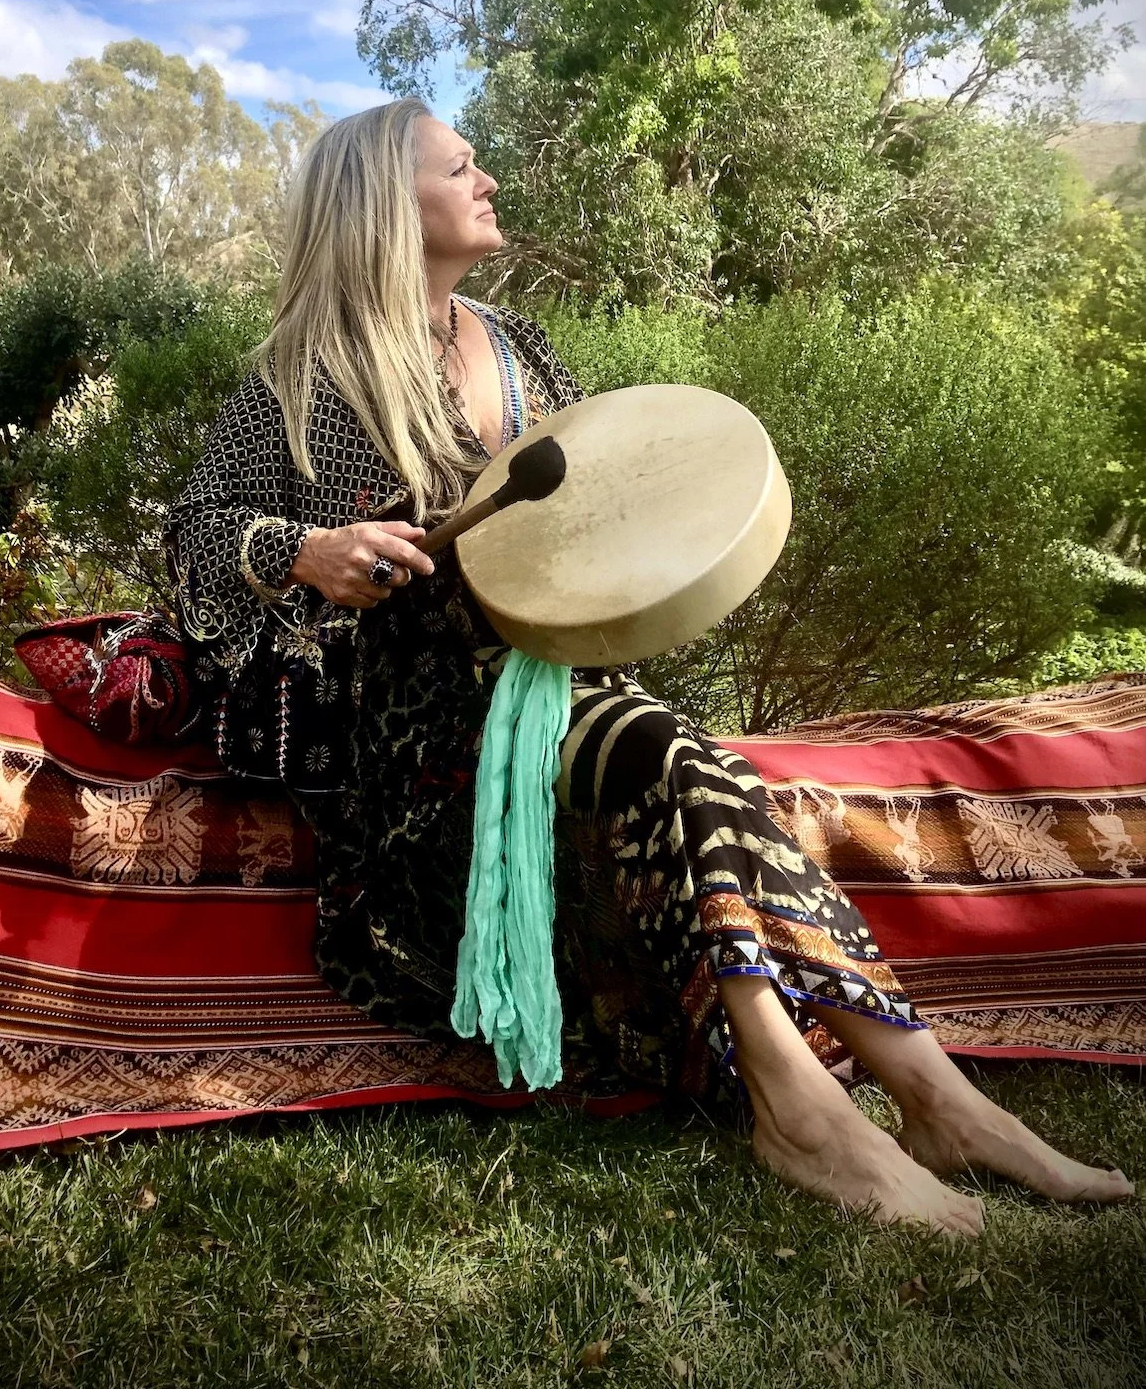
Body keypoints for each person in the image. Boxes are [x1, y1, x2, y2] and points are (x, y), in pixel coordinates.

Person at [168, 98, 1133, 1233]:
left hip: (557, 690)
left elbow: (591, 522)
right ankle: (817, 1115)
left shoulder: (518, 345)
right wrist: (307, 550)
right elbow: (191, 536)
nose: (488, 180)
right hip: (421, 743)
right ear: (387, 202)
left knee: (687, 766)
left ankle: (934, 1101)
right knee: (672, 755)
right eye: (462, 166)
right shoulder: (304, 376)